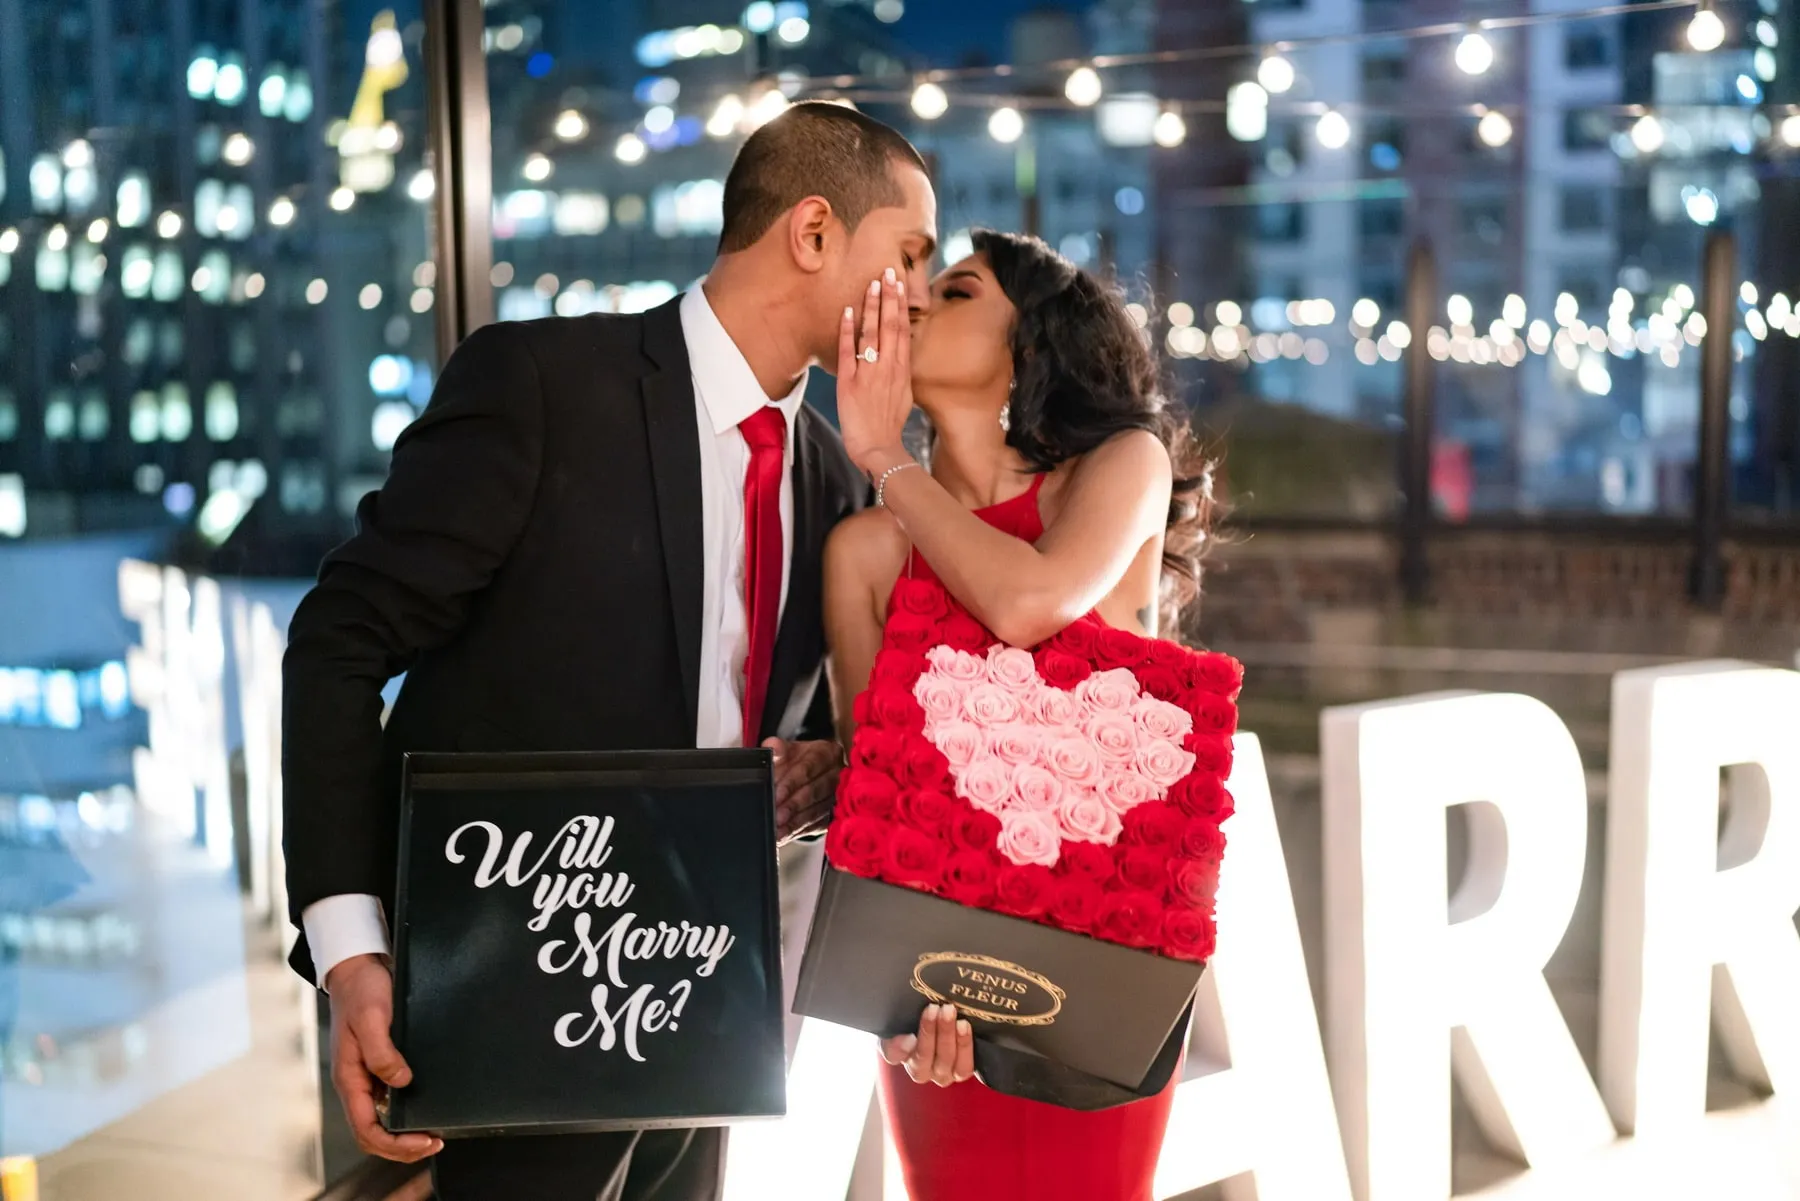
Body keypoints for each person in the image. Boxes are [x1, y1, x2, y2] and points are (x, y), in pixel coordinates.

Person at [281, 101, 938, 1201]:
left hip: (701, 1025)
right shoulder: (540, 386)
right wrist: (356, 951)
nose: (919, 292)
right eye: (911, 254)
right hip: (501, 1003)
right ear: (814, 232)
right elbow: (338, 643)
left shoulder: (835, 474)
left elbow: (811, 724)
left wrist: (820, 765)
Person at [822, 230, 1218, 1201]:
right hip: (937, 986)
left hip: (1095, 954)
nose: (913, 306)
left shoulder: (1118, 468)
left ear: (1031, 346)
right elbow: (869, 794)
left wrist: (879, 452)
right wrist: (897, 999)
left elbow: (1028, 602)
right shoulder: (865, 551)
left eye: (954, 293)